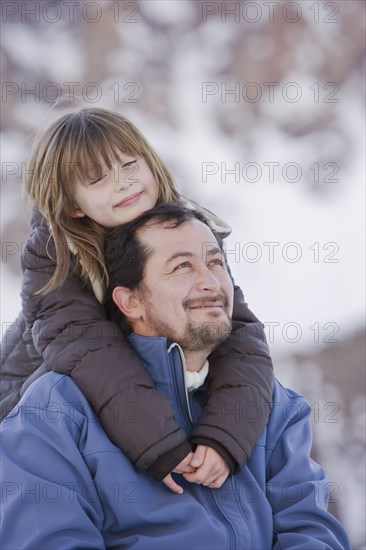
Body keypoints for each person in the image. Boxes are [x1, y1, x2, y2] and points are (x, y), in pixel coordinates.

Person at [0, 203, 350, 549]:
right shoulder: (55, 411)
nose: (210, 282)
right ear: (131, 301)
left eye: (216, 263)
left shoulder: (273, 405)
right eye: (182, 266)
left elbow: (313, 532)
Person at [0, 107, 273, 493]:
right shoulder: (55, 254)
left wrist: (225, 437)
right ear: (73, 206)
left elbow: (242, 340)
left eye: (129, 165)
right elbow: (91, 352)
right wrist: (158, 444)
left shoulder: (183, 231)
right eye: (97, 178)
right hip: (24, 408)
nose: (123, 183)